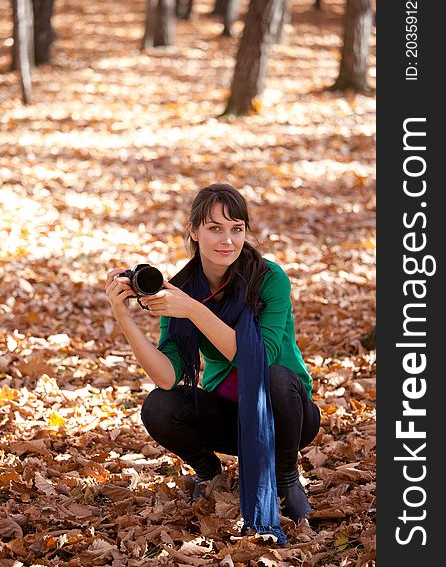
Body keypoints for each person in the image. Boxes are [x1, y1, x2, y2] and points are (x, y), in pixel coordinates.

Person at [105, 183, 320, 545]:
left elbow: (259, 357)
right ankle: (208, 471)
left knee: (275, 377)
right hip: (230, 417)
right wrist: (122, 315)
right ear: (193, 231)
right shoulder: (182, 288)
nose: (228, 240)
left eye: (237, 229)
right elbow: (167, 376)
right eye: (215, 228)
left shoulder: (269, 279)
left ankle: (285, 477)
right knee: (158, 405)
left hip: (289, 416)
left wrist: (194, 310)